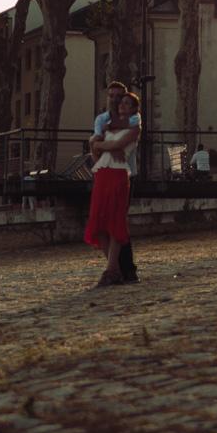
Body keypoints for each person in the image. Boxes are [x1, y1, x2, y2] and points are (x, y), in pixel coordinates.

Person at [85, 80, 142, 287]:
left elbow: (119, 143)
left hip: (123, 174)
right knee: (100, 222)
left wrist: (102, 144)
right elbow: (94, 148)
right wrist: (99, 145)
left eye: (122, 98)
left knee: (117, 223)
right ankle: (115, 270)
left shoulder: (134, 120)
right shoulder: (103, 120)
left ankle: (123, 271)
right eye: (113, 97)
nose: (118, 101)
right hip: (102, 172)